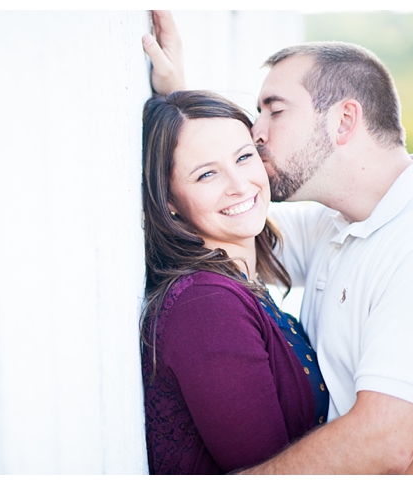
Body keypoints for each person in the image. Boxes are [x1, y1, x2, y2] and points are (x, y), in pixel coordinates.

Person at [141, 10, 413, 474]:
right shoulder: (337, 222)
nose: (256, 133)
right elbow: (224, 230)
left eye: (274, 111)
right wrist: (179, 108)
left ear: (343, 121)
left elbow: (381, 442)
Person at [141, 90, 329, 474]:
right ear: (169, 200)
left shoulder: (237, 285)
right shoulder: (205, 306)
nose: (240, 185)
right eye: (206, 174)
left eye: (244, 157)